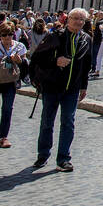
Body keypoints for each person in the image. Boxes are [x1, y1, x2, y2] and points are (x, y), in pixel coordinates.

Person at [30, 9, 92, 172]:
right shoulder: (54, 36)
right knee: (47, 121)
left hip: (72, 88)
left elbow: (86, 64)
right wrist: (55, 61)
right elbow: (37, 58)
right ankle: (43, 155)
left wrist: (84, 85)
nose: (79, 22)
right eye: (76, 19)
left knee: (68, 123)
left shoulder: (86, 39)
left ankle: (63, 159)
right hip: (52, 85)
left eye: (82, 20)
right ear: (68, 19)